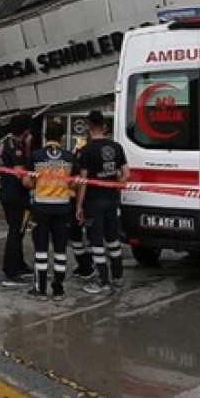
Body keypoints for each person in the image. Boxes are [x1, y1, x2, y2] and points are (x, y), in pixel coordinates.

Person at [75, 110, 131, 294]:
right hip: (112, 200)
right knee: (113, 239)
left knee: (96, 242)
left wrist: (78, 206)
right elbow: (126, 175)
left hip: (93, 201)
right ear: (104, 126)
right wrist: (115, 185)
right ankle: (118, 277)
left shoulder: (86, 150)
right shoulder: (116, 147)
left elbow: (83, 181)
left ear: (89, 126)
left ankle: (103, 281)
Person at [24, 122, 77, 300]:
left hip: (41, 207)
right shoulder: (69, 157)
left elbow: (27, 182)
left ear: (46, 136)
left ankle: (40, 289)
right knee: (60, 249)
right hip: (62, 207)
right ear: (62, 138)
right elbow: (75, 183)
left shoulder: (36, 156)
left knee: (40, 248)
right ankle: (59, 289)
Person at [0, 114, 32, 287]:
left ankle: (19, 264)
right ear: (25, 131)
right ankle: (11, 270)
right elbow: (22, 175)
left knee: (17, 230)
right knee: (15, 231)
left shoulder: (5, 143)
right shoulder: (17, 148)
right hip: (16, 194)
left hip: (6, 190)